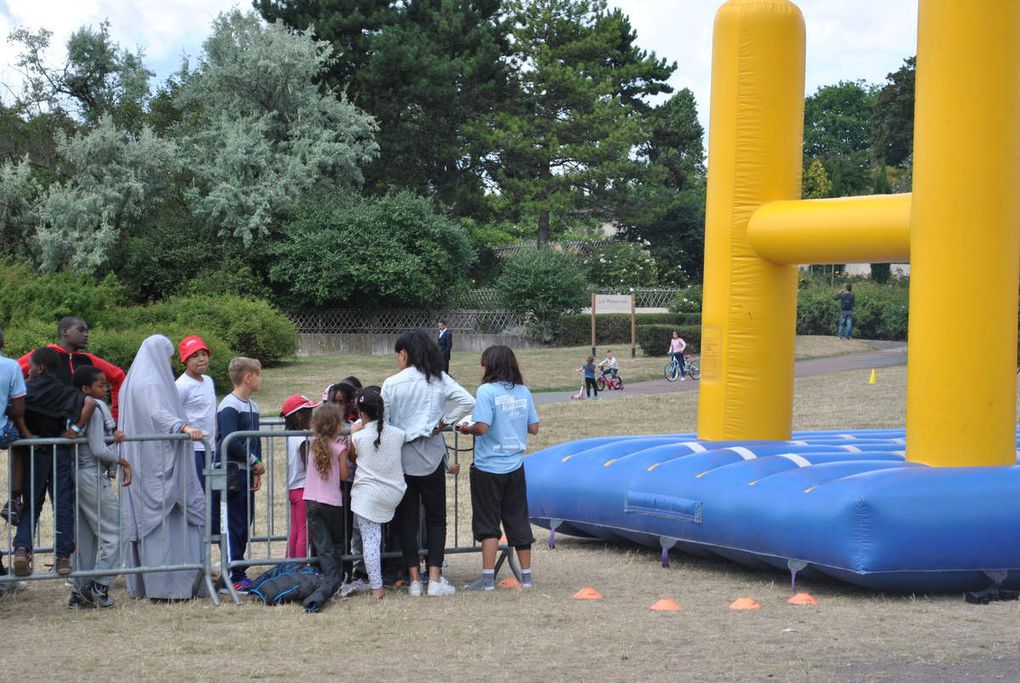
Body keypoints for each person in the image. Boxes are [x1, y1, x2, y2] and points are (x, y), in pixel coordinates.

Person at [382, 329, 473, 597]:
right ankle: (434, 578)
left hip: (404, 457)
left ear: (404, 353)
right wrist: (443, 422)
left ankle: (414, 581)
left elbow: (386, 422)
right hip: (432, 456)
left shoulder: (392, 383)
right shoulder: (438, 378)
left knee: (408, 519)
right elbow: (468, 401)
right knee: (436, 519)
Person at [119, 335, 206, 600]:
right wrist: (183, 427)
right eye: (168, 357)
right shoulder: (151, 382)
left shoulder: (133, 382)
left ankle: (163, 582)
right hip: (155, 462)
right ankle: (169, 585)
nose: (169, 362)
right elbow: (157, 412)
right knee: (165, 524)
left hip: (144, 460)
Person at [458, 345, 540, 591]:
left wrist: (465, 428)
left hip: (488, 466)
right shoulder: (523, 391)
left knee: (488, 522)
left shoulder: (486, 391)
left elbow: (482, 427)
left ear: (490, 365)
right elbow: (534, 427)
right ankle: (526, 577)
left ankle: (487, 580)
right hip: (515, 465)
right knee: (517, 519)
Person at [11, 347, 97, 577]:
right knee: (62, 503)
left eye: (30, 364)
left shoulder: (26, 390)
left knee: (31, 503)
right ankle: (62, 558)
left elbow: (16, 411)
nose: (28, 369)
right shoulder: (65, 391)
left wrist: (27, 434)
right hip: (59, 451)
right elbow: (90, 403)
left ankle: (21, 549)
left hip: (33, 451)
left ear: (39, 368)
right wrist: (75, 430)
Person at [69, 365, 132, 609]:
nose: (105, 389)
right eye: (100, 385)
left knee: (85, 536)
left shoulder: (78, 403)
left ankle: (78, 591)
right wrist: (121, 460)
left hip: (77, 475)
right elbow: (98, 448)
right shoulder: (94, 407)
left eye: (106, 385)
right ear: (86, 389)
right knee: (117, 531)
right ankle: (99, 586)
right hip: (90, 474)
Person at [348, 388, 406, 600]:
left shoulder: (358, 437)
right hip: (394, 492)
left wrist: (354, 432)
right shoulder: (399, 434)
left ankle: (377, 587)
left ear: (361, 414)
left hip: (368, 495)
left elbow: (352, 457)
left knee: (371, 540)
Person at [216, 357, 266, 593]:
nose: (260, 379)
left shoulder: (253, 406)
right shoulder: (229, 405)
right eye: (259, 374)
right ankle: (232, 573)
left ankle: (237, 569)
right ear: (248, 377)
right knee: (234, 522)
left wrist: (258, 467)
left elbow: (255, 440)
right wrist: (253, 460)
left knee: (246, 521)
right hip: (232, 474)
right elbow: (230, 440)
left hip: (248, 472)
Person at [17, 316, 126, 419]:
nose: (86, 334)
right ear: (65, 332)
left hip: (81, 427)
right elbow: (10, 375)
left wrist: (116, 415)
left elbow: (119, 377)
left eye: (86, 331)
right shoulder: (43, 355)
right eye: (81, 330)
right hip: (45, 424)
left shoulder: (89, 360)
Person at [301, 404, 350, 613]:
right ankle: (332, 583)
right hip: (332, 502)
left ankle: (325, 582)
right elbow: (344, 476)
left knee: (322, 546)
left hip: (311, 501)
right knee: (336, 544)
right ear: (337, 426)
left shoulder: (312, 445)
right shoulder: (339, 448)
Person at [281, 394, 319, 559]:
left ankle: (291, 563)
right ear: (299, 416)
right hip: (303, 488)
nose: (312, 417)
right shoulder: (302, 438)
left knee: (296, 530)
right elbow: (309, 464)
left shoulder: (290, 436)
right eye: (309, 413)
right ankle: (300, 566)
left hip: (294, 488)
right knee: (305, 531)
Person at [175, 336, 216, 486]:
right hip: (193, 449)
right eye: (195, 356)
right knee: (198, 493)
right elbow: (173, 416)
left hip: (211, 447)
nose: (201, 359)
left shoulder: (209, 381)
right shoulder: (181, 385)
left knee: (211, 494)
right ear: (185, 360)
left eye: (203, 354)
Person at [0, 328, 31, 529]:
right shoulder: (11, 366)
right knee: (19, 442)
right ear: (2, 343)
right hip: (2, 431)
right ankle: (13, 498)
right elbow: (19, 409)